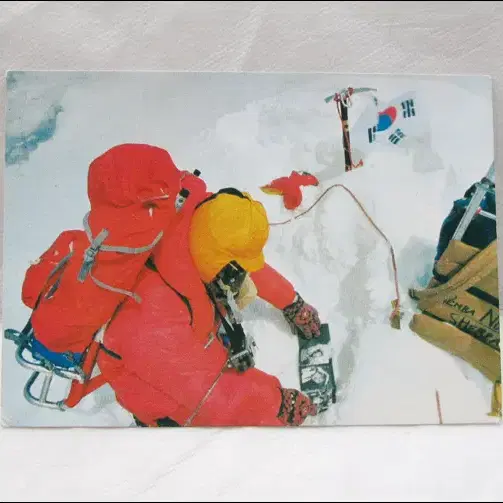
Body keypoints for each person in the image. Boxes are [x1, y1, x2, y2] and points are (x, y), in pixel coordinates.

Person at [97, 187, 323, 427]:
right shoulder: (154, 319)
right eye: (235, 270)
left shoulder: (196, 223)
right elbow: (216, 398)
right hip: (163, 388)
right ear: (215, 264)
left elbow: (240, 258)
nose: (242, 275)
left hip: (180, 339)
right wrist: (278, 404)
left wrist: (290, 301)